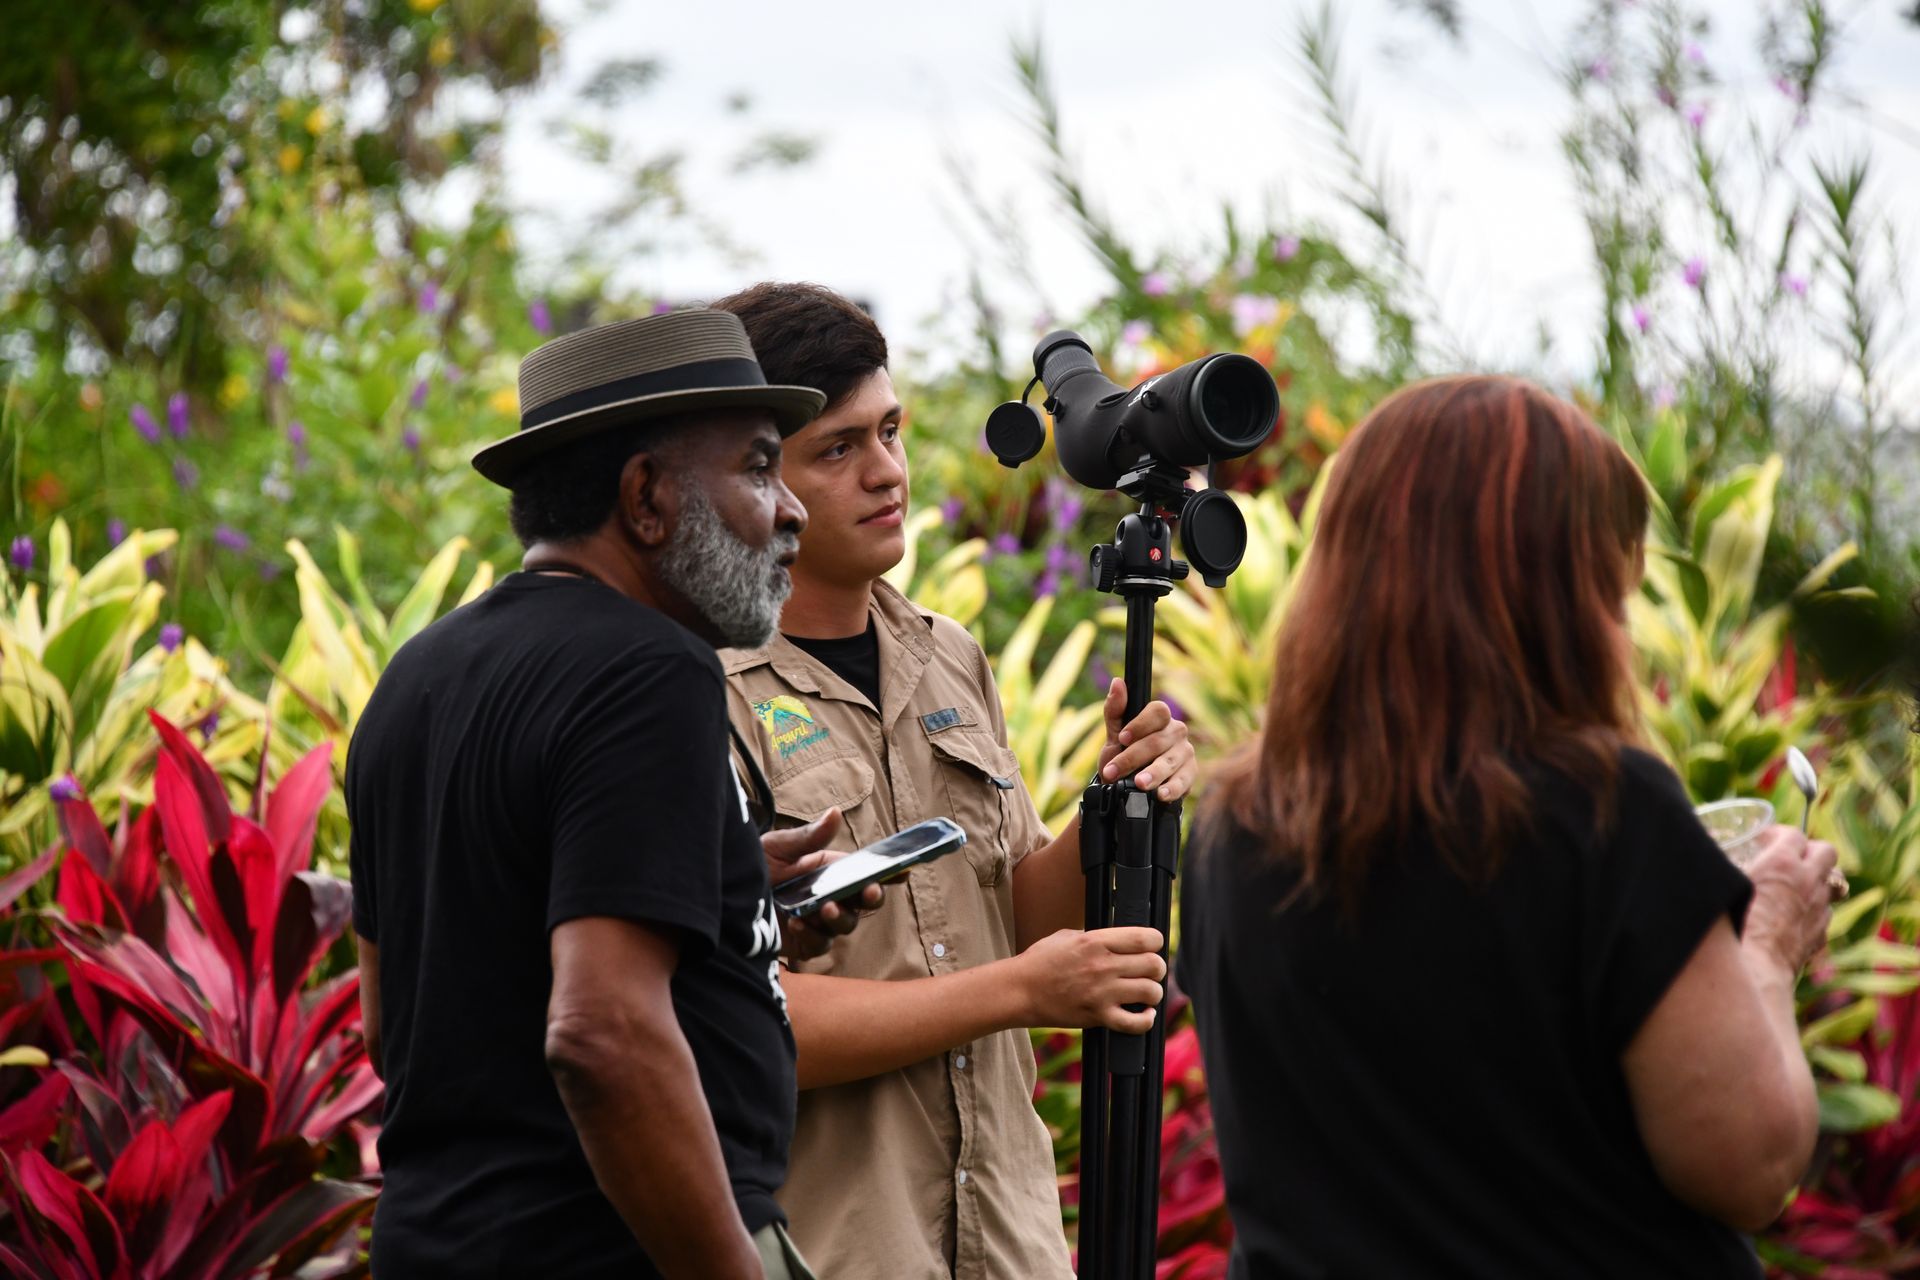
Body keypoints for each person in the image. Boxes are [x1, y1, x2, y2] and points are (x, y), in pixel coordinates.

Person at [1177, 374, 1840, 1279]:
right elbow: (1751, 1167)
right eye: (1610, 592)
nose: (1621, 627)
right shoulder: (1603, 813)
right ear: (1553, 597)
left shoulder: (1232, 832)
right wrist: (1769, 943)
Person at [347, 309, 874, 1280]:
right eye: (760, 467)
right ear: (646, 498)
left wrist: (712, 888)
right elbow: (601, 1032)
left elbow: (395, 1022)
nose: (790, 508)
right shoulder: (647, 670)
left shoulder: (414, 678)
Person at [708, 282, 1198, 1279]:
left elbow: (1011, 917)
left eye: (890, 431)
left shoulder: (947, 656)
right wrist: (1017, 992)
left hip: (1007, 1245)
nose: (886, 471)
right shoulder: (699, 687)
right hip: (837, 1249)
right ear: (754, 477)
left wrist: (1114, 800)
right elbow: (744, 1014)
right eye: (837, 449)